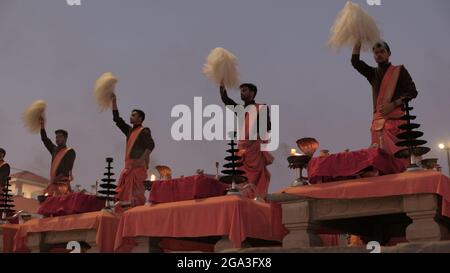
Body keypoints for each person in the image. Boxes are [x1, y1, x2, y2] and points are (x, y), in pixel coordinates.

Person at [352, 41, 418, 159]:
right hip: (378, 125)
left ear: (389, 53)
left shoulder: (399, 71)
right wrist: (357, 44)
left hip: (397, 124)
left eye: (382, 52)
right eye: (376, 53)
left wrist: (393, 104)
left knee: (400, 160)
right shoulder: (372, 73)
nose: (379, 55)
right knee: (381, 160)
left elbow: (412, 91)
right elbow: (355, 63)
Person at [219, 83, 274, 198]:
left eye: (244, 90)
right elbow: (226, 100)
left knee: (255, 178)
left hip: (254, 148)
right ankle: (245, 197)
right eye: (241, 91)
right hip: (243, 148)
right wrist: (222, 85)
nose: (241, 93)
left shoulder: (261, 107)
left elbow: (268, 126)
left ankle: (256, 198)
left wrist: (255, 134)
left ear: (252, 93)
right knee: (241, 175)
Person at [111, 94, 155, 207]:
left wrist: (142, 159)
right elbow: (117, 120)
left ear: (140, 118)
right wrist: (114, 102)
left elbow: (151, 145)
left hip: (137, 170)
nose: (131, 116)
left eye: (134, 115)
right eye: (131, 114)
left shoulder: (144, 131)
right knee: (122, 198)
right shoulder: (129, 131)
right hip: (128, 169)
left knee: (136, 198)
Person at [39, 118, 76, 196]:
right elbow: (45, 140)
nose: (57, 139)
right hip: (53, 184)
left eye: (59, 137)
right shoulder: (54, 150)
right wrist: (42, 127)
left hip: (62, 185)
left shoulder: (70, 152)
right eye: (56, 137)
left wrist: (56, 179)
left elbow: (66, 168)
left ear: (65, 138)